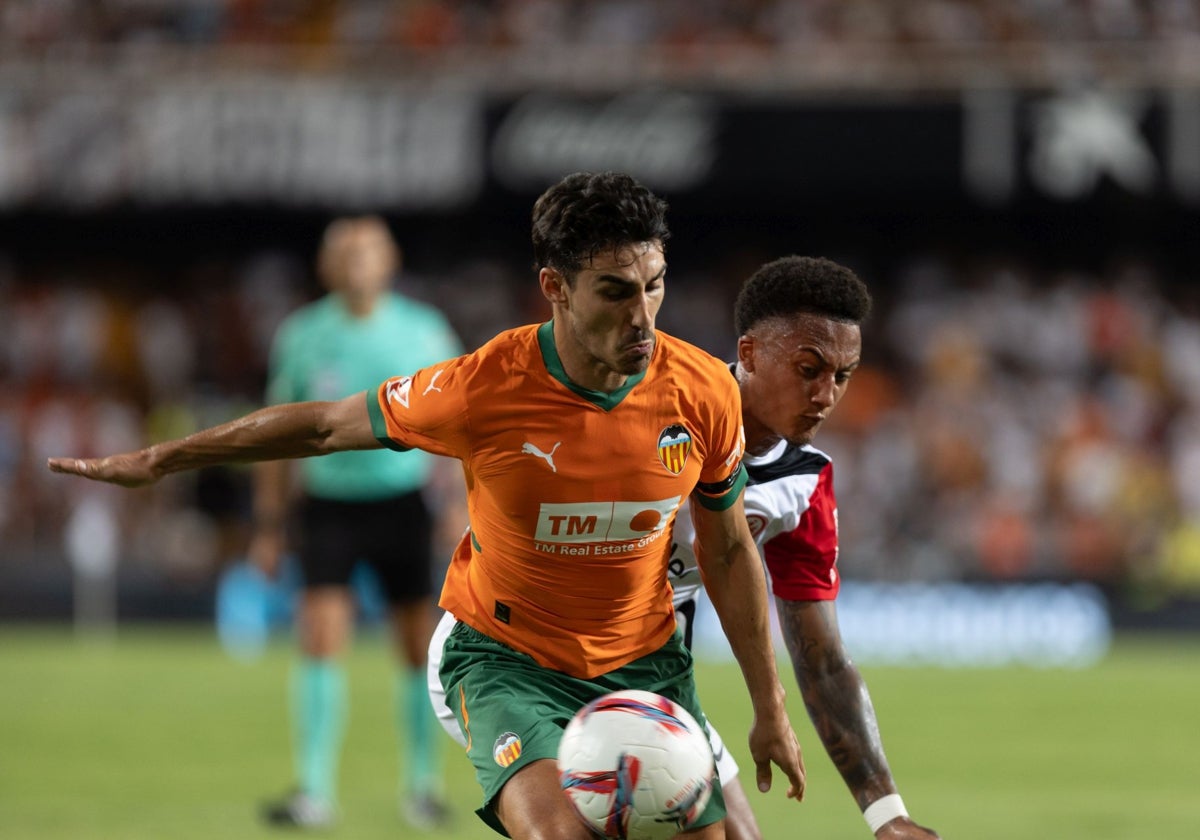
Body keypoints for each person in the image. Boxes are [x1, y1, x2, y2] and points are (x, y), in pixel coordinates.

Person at [48, 170, 805, 840]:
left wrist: (770, 707)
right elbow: (319, 425)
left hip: (645, 662)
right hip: (510, 662)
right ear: (555, 288)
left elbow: (730, 549)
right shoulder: (486, 386)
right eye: (614, 290)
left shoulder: (704, 390)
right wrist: (163, 458)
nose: (642, 317)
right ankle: (323, 784)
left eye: (655, 285)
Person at [428, 255, 941, 839]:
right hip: (520, 662)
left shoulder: (803, 484)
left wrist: (886, 814)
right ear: (748, 354)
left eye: (842, 376)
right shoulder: (650, 399)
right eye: (808, 369)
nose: (825, 394)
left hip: (645, 684)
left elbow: (822, 657)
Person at [248, 215, 463, 829]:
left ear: (389, 261)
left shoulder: (424, 332)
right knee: (319, 637)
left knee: (417, 648)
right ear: (326, 266)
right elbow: (277, 435)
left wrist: (456, 505)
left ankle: (422, 786)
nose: (355, 262)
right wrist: (267, 525)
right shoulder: (303, 335)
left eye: (366, 250)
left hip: (403, 502)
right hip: (329, 507)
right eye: (343, 252)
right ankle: (314, 790)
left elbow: (459, 426)